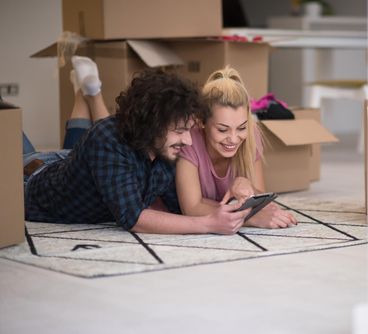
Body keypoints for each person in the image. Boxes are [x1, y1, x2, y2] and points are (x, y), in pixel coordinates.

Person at [23, 57, 250, 235]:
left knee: (76, 156)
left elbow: (180, 206)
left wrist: (235, 210)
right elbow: (133, 218)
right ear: (153, 125)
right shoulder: (107, 139)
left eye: (189, 130)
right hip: (30, 176)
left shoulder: (166, 149)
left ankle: (83, 93)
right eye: (180, 131)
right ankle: (85, 93)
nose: (189, 141)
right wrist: (209, 224)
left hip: (72, 165)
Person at [175, 66, 298, 229]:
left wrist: (246, 184)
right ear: (202, 122)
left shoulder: (252, 134)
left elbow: (262, 196)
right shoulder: (189, 139)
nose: (233, 139)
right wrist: (249, 217)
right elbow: (191, 208)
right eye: (222, 129)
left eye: (241, 128)